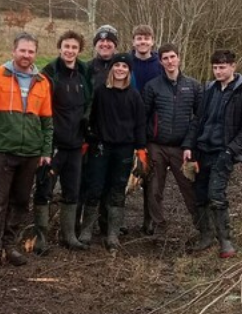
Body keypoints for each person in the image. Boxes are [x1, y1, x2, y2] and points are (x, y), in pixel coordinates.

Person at [0, 32, 54, 271]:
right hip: (2, 150)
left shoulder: (42, 82)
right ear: (14, 51)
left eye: (31, 51)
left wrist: (45, 149)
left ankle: (9, 246)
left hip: (31, 153)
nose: (26, 55)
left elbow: (46, 120)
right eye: (22, 50)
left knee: (21, 202)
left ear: (36, 54)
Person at [184, 49, 242, 258]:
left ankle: (225, 241)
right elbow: (198, 120)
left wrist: (231, 150)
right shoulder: (209, 89)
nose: (218, 71)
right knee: (199, 194)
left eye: (222, 67)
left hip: (223, 152)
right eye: (215, 67)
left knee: (216, 195)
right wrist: (189, 145)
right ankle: (205, 236)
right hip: (202, 150)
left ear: (233, 66)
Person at [79, 53, 146, 252]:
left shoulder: (134, 96)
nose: (120, 69)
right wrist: (87, 139)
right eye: (117, 65)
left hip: (124, 149)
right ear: (112, 69)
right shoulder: (100, 92)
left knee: (117, 190)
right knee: (95, 187)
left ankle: (112, 233)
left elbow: (140, 125)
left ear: (129, 71)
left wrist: (141, 150)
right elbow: (90, 118)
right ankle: (86, 230)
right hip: (101, 147)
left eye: (124, 67)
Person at [34, 31, 92, 254]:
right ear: (60, 48)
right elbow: (40, 106)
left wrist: (86, 127)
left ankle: (69, 236)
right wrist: (44, 142)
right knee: (44, 188)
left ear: (79, 50)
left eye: (74, 47)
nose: (70, 51)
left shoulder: (84, 72)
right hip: (53, 144)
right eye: (66, 46)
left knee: (72, 190)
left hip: (76, 144)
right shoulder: (49, 72)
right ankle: (41, 238)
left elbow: (90, 101)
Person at [142, 43, 203, 238]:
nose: (169, 61)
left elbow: (199, 118)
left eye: (172, 57)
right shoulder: (152, 86)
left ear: (179, 58)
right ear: (160, 61)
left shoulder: (193, 86)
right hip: (156, 145)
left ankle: (203, 227)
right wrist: (143, 144)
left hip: (181, 147)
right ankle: (159, 227)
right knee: (154, 188)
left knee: (189, 187)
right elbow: (144, 115)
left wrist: (189, 144)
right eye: (165, 58)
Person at [128, 24, 163, 235]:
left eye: (146, 38)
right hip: (127, 124)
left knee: (150, 175)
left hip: (152, 127)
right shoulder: (125, 62)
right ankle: (116, 223)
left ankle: (149, 220)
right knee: (123, 173)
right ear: (133, 41)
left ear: (152, 41)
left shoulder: (160, 63)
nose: (142, 42)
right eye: (139, 38)